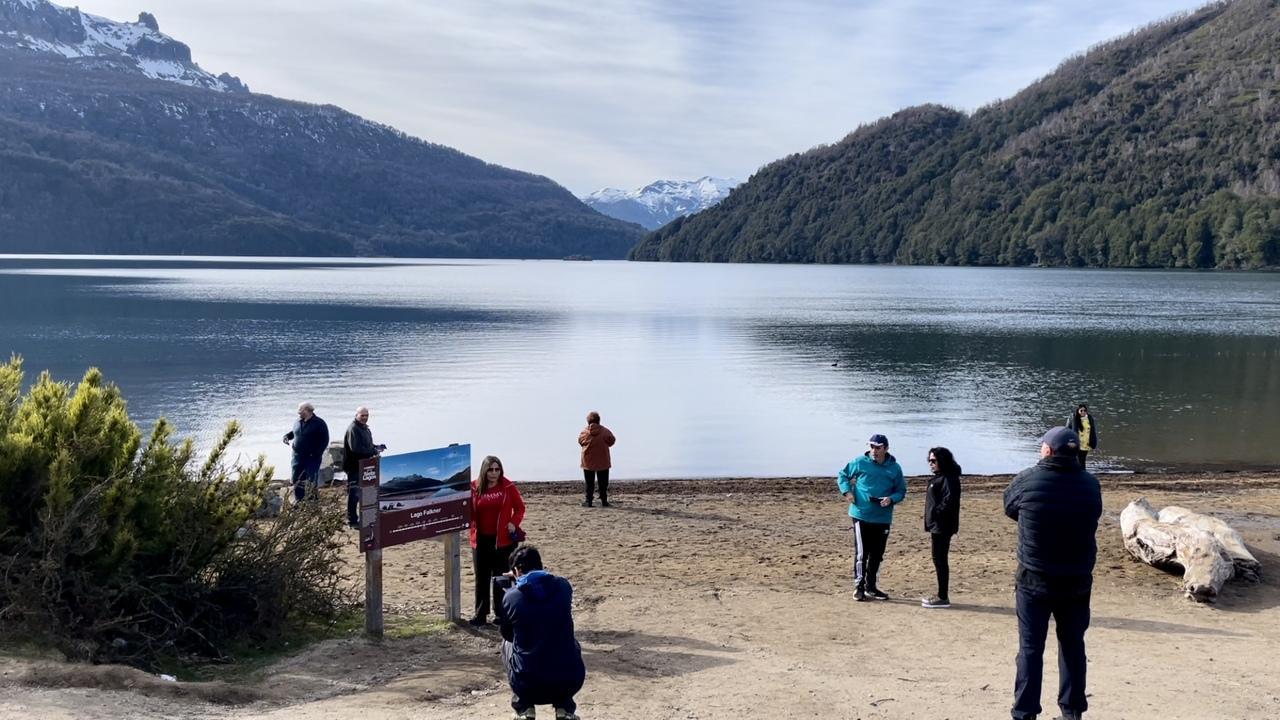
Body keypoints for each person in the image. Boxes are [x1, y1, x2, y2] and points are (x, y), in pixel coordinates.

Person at [1003, 427, 1103, 720]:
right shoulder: (1090, 484)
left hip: (1035, 578)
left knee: (1031, 649)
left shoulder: (1027, 479)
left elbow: (1010, 507)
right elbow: (1094, 513)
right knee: (1073, 646)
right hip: (1077, 579)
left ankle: (1024, 713)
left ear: (1047, 450)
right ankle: (1072, 712)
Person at [497, 545, 586, 720]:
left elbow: (507, 634)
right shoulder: (563, 587)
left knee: (507, 644)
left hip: (527, 684)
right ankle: (565, 708)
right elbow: (542, 596)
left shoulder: (511, 596)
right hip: (569, 681)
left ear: (517, 570)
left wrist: (513, 587)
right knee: (568, 641)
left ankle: (524, 707)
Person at [836, 433, 907, 602]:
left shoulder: (894, 468)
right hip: (861, 514)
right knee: (862, 553)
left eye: (878, 448)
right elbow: (843, 475)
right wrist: (847, 492)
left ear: (886, 448)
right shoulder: (860, 462)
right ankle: (859, 587)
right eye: (872, 447)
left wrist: (891, 499)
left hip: (882, 517)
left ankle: (871, 586)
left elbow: (901, 490)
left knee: (877, 554)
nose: (874, 451)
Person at [468, 455, 526, 626]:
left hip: (503, 540)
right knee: (482, 578)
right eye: (490, 470)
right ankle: (480, 615)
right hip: (480, 539)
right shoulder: (474, 487)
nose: (494, 473)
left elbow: (520, 508)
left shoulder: (507, 486)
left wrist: (513, 523)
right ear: (484, 471)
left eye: (497, 469)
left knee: (501, 578)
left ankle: (501, 614)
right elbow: (466, 510)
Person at [922, 446, 962, 609]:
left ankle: (942, 597)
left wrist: (936, 514)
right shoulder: (940, 477)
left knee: (940, 559)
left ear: (942, 461)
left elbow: (949, 501)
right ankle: (941, 595)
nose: (930, 464)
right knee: (938, 559)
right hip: (937, 525)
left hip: (942, 526)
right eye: (929, 460)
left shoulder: (948, 478)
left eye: (933, 461)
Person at [342, 406, 386, 528]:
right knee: (354, 493)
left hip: (365, 465)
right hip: (354, 466)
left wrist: (376, 447)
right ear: (356, 415)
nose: (365, 418)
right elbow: (356, 449)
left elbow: (367, 445)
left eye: (367, 415)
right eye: (362, 415)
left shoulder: (365, 428)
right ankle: (352, 521)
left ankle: (367, 518)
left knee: (366, 492)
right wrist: (373, 451)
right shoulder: (353, 428)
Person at [282, 401, 329, 503]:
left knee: (311, 479)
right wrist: (287, 436)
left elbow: (325, 440)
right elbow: (295, 432)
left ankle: (313, 501)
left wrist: (316, 453)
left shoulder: (319, 423)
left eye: (300, 409)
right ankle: (299, 500)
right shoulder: (298, 421)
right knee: (296, 478)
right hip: (297, 456)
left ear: (307, 410)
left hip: (312, 458)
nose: (298, 412)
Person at [578, 411, 616, 508]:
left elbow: (580, 441)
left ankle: (589, 501)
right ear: (599, 421)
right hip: (603, 460)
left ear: (588, 422)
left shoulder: (584, 432)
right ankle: (604, 501)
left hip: (588, 461)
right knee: (603, 483)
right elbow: (612, 441)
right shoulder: (605, 431)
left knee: (589, 483)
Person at [1065, 404, 1098, 468]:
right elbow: (1067, 429)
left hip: (1086, 443)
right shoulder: (1073, 418)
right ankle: (1079, 471)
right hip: (1077, 443)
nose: (1083, 412)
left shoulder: (1089, 418)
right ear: (1078, 411)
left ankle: (1082, 471)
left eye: (1084, 410)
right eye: (1081, 410)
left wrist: (1093, 441)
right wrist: (1069, 441)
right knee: (1078, 459)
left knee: (1083, 459)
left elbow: (1093, 430)